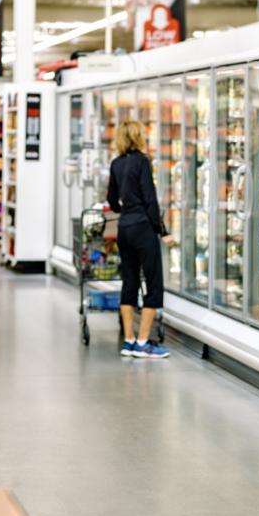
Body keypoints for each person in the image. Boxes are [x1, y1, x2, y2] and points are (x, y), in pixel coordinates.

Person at [107, 120, 172, 359]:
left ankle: (129, 341)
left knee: (129, 283)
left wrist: (124, 208)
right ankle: (144, 342)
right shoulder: (142, 162)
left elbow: (112, 200)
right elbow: (150, 199)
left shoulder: (116, 164)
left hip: (124, 228)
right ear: (138, 137)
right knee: (153, 284)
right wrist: (163, 231)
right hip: (143, 228)